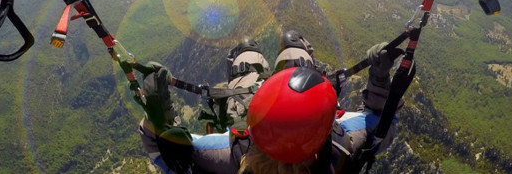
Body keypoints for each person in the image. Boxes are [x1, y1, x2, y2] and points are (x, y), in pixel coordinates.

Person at [138, 30, 402, 173]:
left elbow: (164, 151)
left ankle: (247, 75)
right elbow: (381, 125)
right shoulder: (342, 145)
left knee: (246, 58)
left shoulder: (226, 157)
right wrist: (379, 79)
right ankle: (297, 65)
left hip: (247, 133)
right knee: (292, 43)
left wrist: (157, 109)